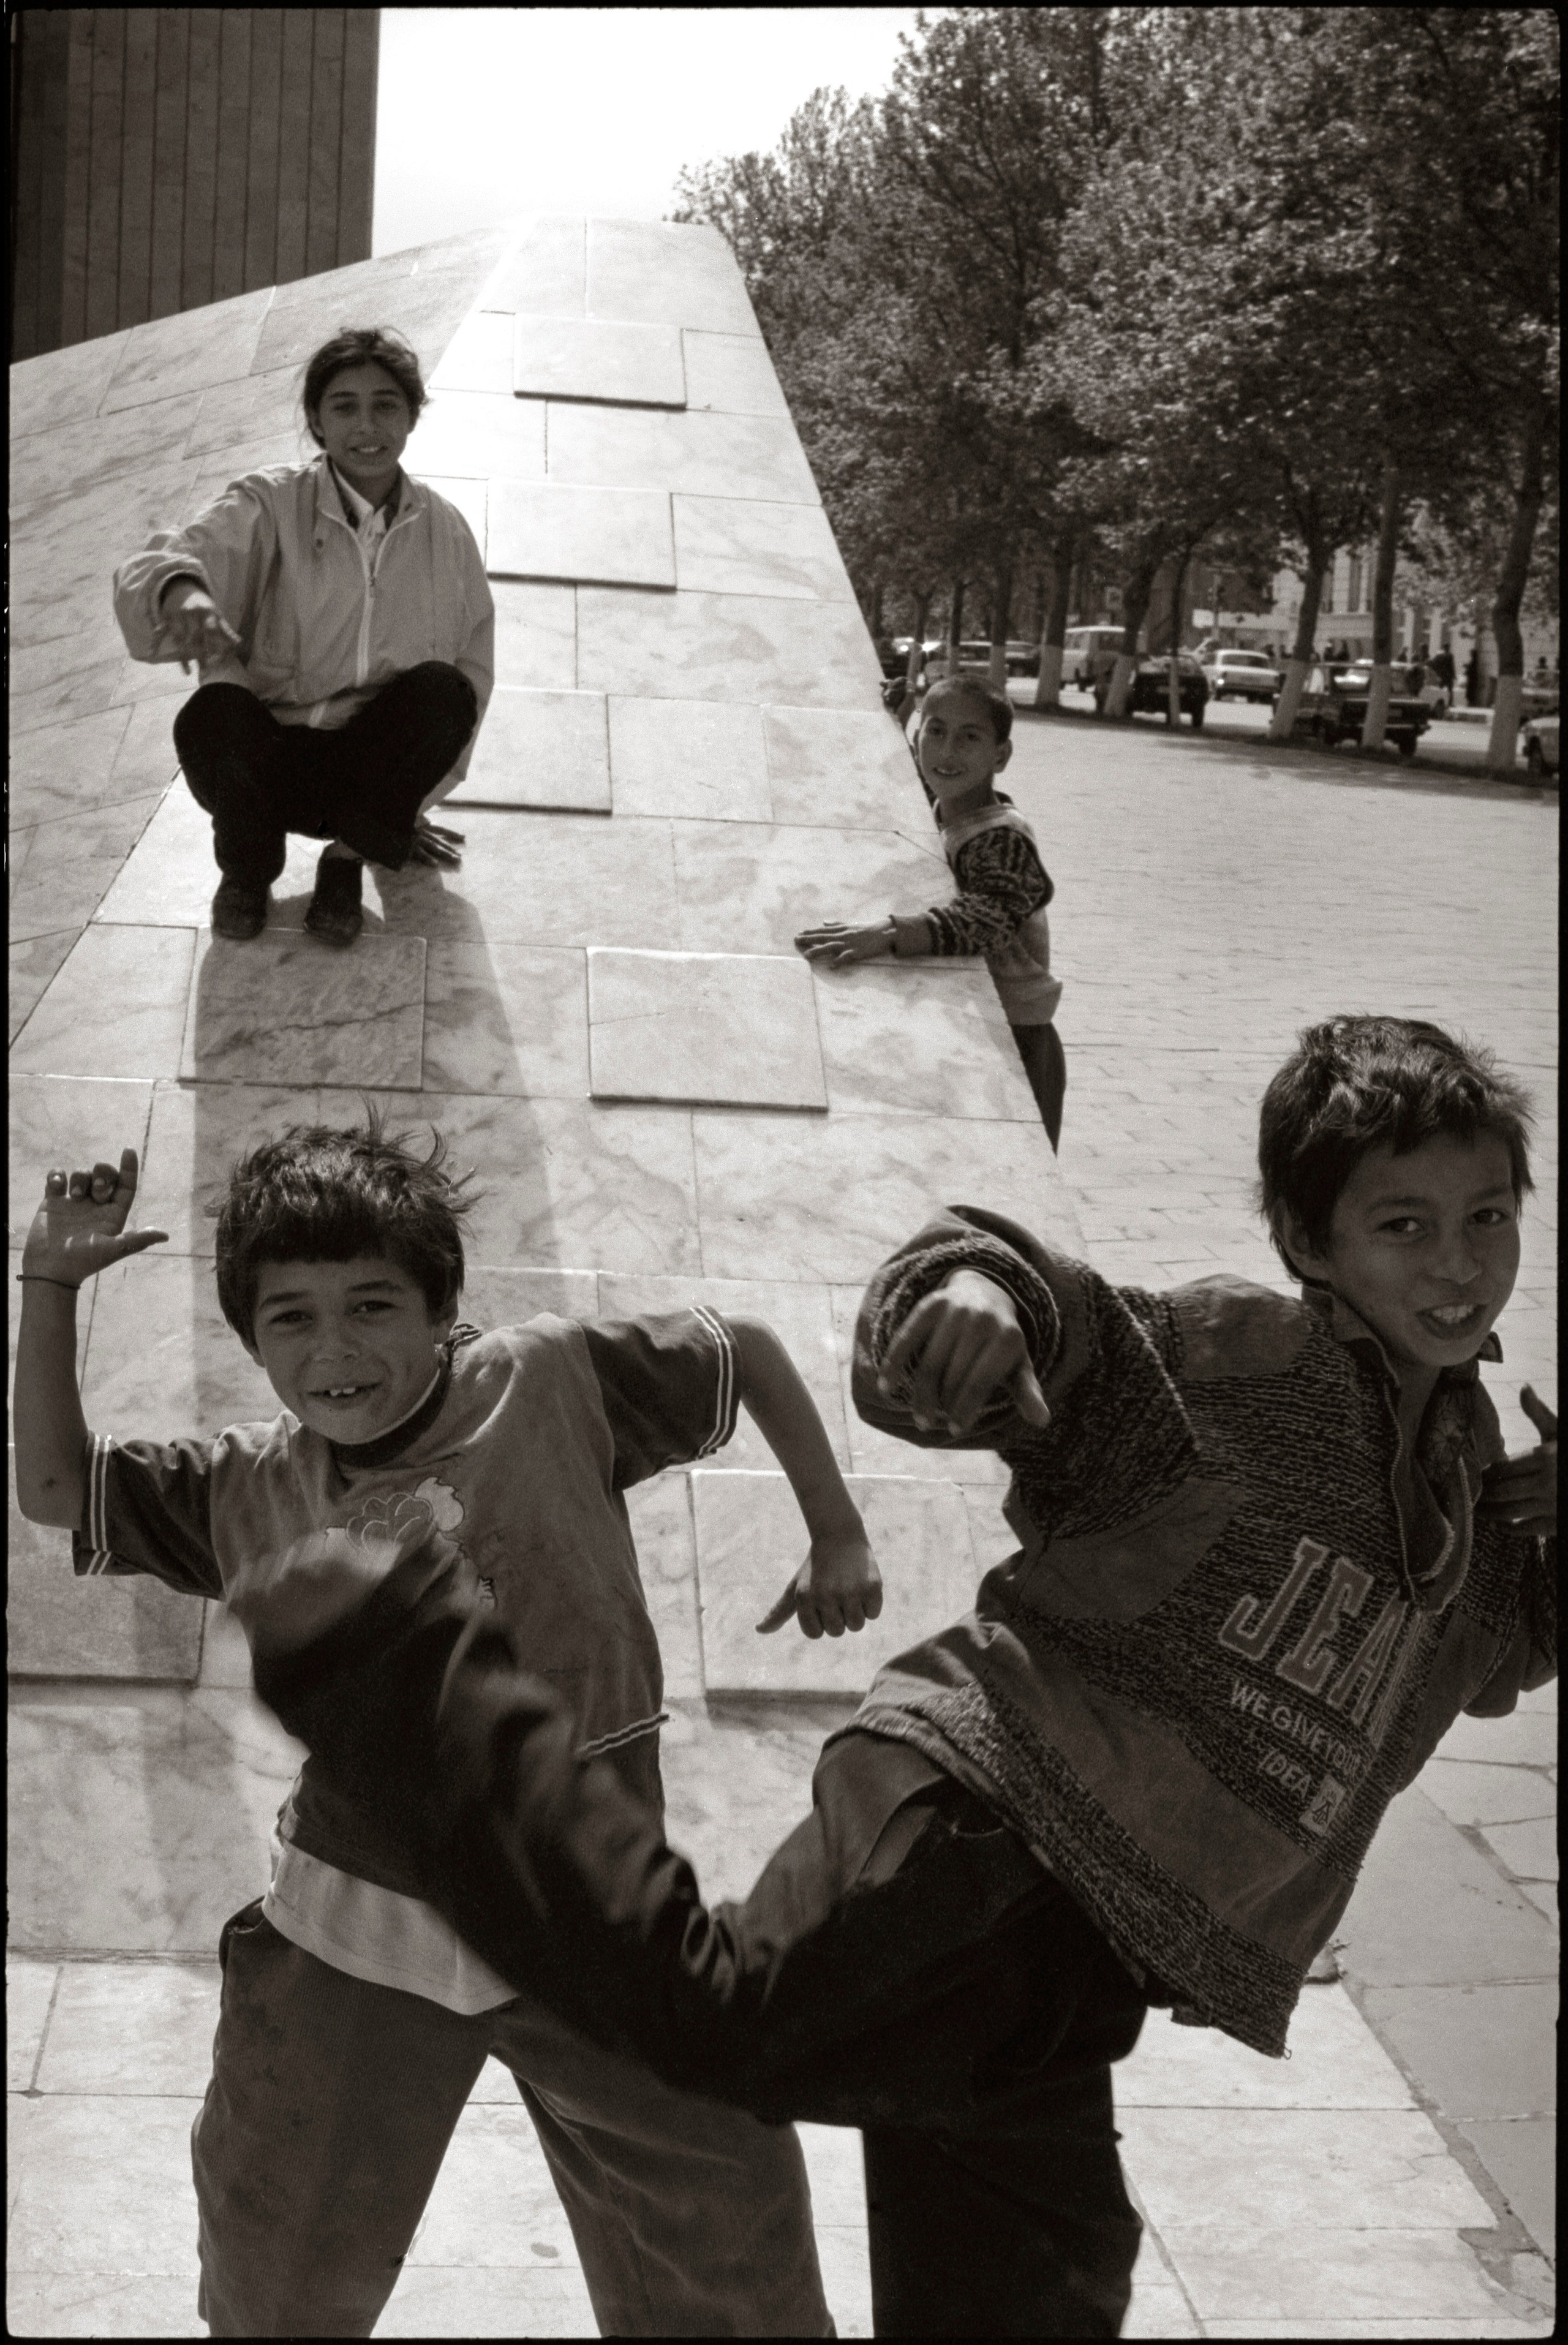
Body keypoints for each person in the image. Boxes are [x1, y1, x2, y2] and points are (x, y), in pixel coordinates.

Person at [235, 1016, 1555, 2339]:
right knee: (718, 2024)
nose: (1456, 1266)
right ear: (1308, 1240)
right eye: (1402, 1226)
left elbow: (1488, 1651)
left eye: (1485, 1219)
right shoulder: (1259, 1363)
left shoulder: (1456, 1472)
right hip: (986, 1823)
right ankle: (413, 1681)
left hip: (1090, 1958)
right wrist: (974, 1297)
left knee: (1039, 2297)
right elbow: (1072, 1325)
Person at [12, 1114, 883, 2338]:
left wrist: (835, 1527)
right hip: (353, 1942)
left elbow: (742, 1350)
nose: (336, 1351)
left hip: (599, 1940)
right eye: (291, 1318)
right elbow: (55, 1487)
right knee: (275, 2279)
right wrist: (48, 1279)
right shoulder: (246, 1485)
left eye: (373, 1306)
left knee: (730, 2264)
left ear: (441, 1310)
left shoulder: (548, 1381)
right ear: (252, 1340)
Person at [113, 326, 492, 949]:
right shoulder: (269, 502)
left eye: (385, 405)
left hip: (362, 777)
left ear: (411, 416)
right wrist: (181, 588)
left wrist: (408, 807)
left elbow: (473, 670)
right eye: (344, 407)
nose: (366, 426)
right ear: (317, 421)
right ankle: (245, 875)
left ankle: (343, 864)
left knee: (445, 693)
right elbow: (160, 561)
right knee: (214, 713)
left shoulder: (444, 533)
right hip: (262, 769)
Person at [794, 676, 1066, 1150]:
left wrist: (887, 933)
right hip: (979, 1026)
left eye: (970, 737)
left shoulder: (999, 835)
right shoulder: (949, 809)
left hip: (1018, 1042)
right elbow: (912, 787)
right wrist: (895, 725)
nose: (948, 751)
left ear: (1001, 756)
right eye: (936, 732)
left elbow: (988, 916)